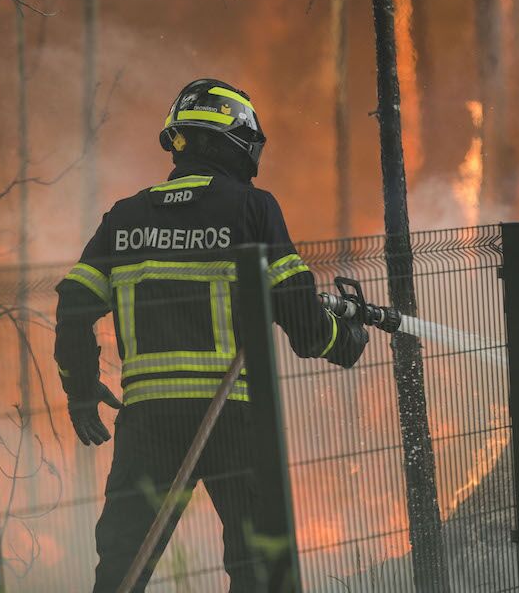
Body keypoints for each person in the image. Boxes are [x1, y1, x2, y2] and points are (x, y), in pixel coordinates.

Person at [54, 78, 369, 592]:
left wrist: (81, 390)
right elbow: (305, 324)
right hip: (233, 416)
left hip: (149, 422)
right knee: (258, 566)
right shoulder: (252, 208)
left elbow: (72, 308)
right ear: (236, 140)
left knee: (121, 567)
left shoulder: (125, 217)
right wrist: (348, 339)